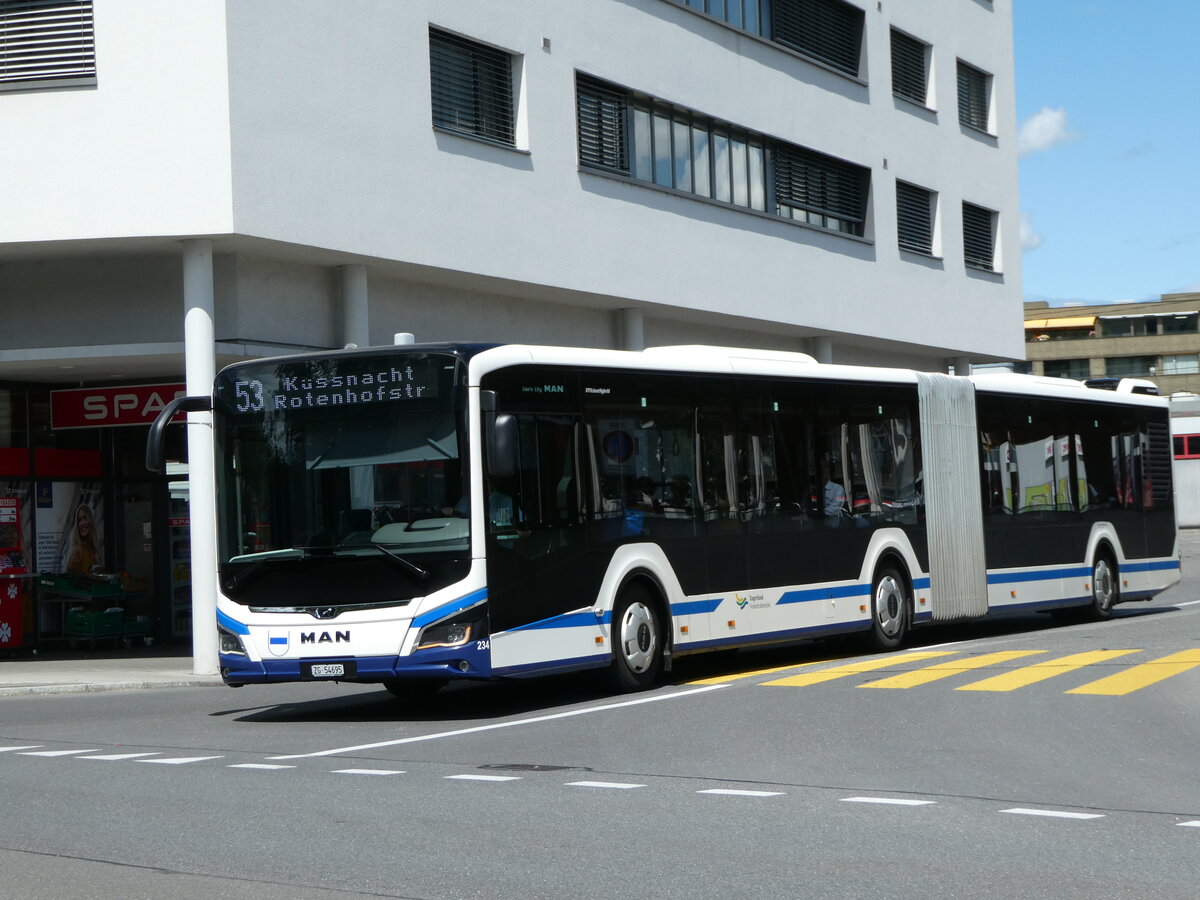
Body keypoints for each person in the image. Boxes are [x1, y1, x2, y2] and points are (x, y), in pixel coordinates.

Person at [65, 504, 102, 575]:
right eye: (79, 520)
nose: (82, 523)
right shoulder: (76, 551)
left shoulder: (94, 548)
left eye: (85, 518)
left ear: (90, 520)